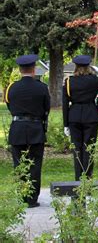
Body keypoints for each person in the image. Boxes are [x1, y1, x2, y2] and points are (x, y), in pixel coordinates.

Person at [62, 55, 98, 181]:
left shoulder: (69, 82)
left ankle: (78, 179)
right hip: (90, 116)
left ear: (76, 67)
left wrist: (66, 124)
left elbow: (65, 104)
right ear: (88, 67)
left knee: (77, 149)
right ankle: (87, 177)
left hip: (74, 117)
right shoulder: (94, 80)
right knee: (89, 148)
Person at [6, 54, 50, 208]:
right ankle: (32, 199)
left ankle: (22, 196)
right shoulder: (42, 87)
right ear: (33, 69)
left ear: (19, 70)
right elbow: (46, 109)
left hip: (17, 128)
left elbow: (10, 107)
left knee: (19, 165)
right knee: (35, 165)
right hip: (35, 129)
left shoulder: (11, 88)